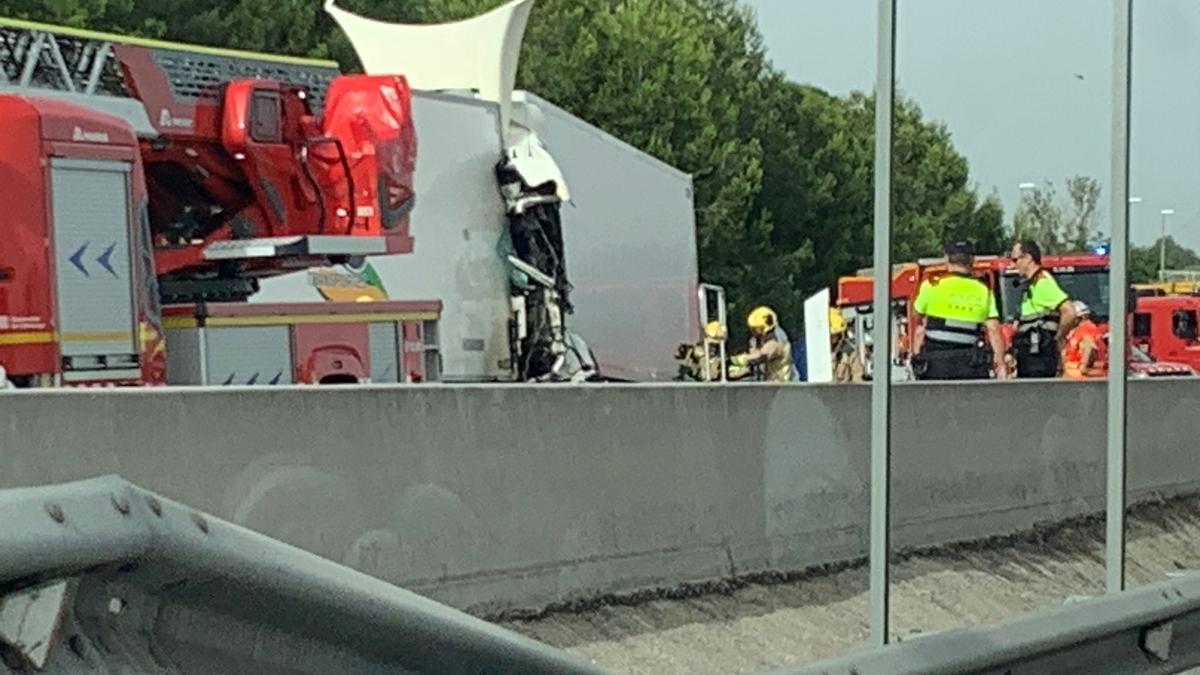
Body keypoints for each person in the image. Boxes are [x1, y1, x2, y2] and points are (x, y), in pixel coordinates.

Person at [910, 240, 1008, 380]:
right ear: (972, 260)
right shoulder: (983, 290)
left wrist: (916, 358)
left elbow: (918, 323)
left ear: (946, 259)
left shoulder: (931, 285)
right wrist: (1001, 364)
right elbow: (993, 329)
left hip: (936, 365)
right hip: (970, 364)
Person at [1009, 239, 1077, 377]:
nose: (1013, 265)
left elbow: (1070, 312)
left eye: (1016, 260)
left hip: (1039, 358)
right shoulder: (1031, 285)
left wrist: (1057, 338)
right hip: (1030, 356)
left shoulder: (1042, 282)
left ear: (1028, 258)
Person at [729, 306, 797, 382]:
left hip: (784, 384)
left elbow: (761, 356)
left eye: (754, 329)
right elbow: (753, 364)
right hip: (769, 383)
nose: (752, 331)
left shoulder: (777, 338)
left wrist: (735, 360)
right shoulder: (757, 340)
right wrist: (735, 371)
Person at [1062, 301, 1107, 379]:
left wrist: (1083, 366)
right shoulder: (1080, 329)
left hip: (1079, 378)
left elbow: (1089, 346)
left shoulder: (1085, 329)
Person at [830, 309, 864, 382]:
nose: (832, 337)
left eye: (834, 334)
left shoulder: (850, 352)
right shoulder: (818, 353)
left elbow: (858, 377)